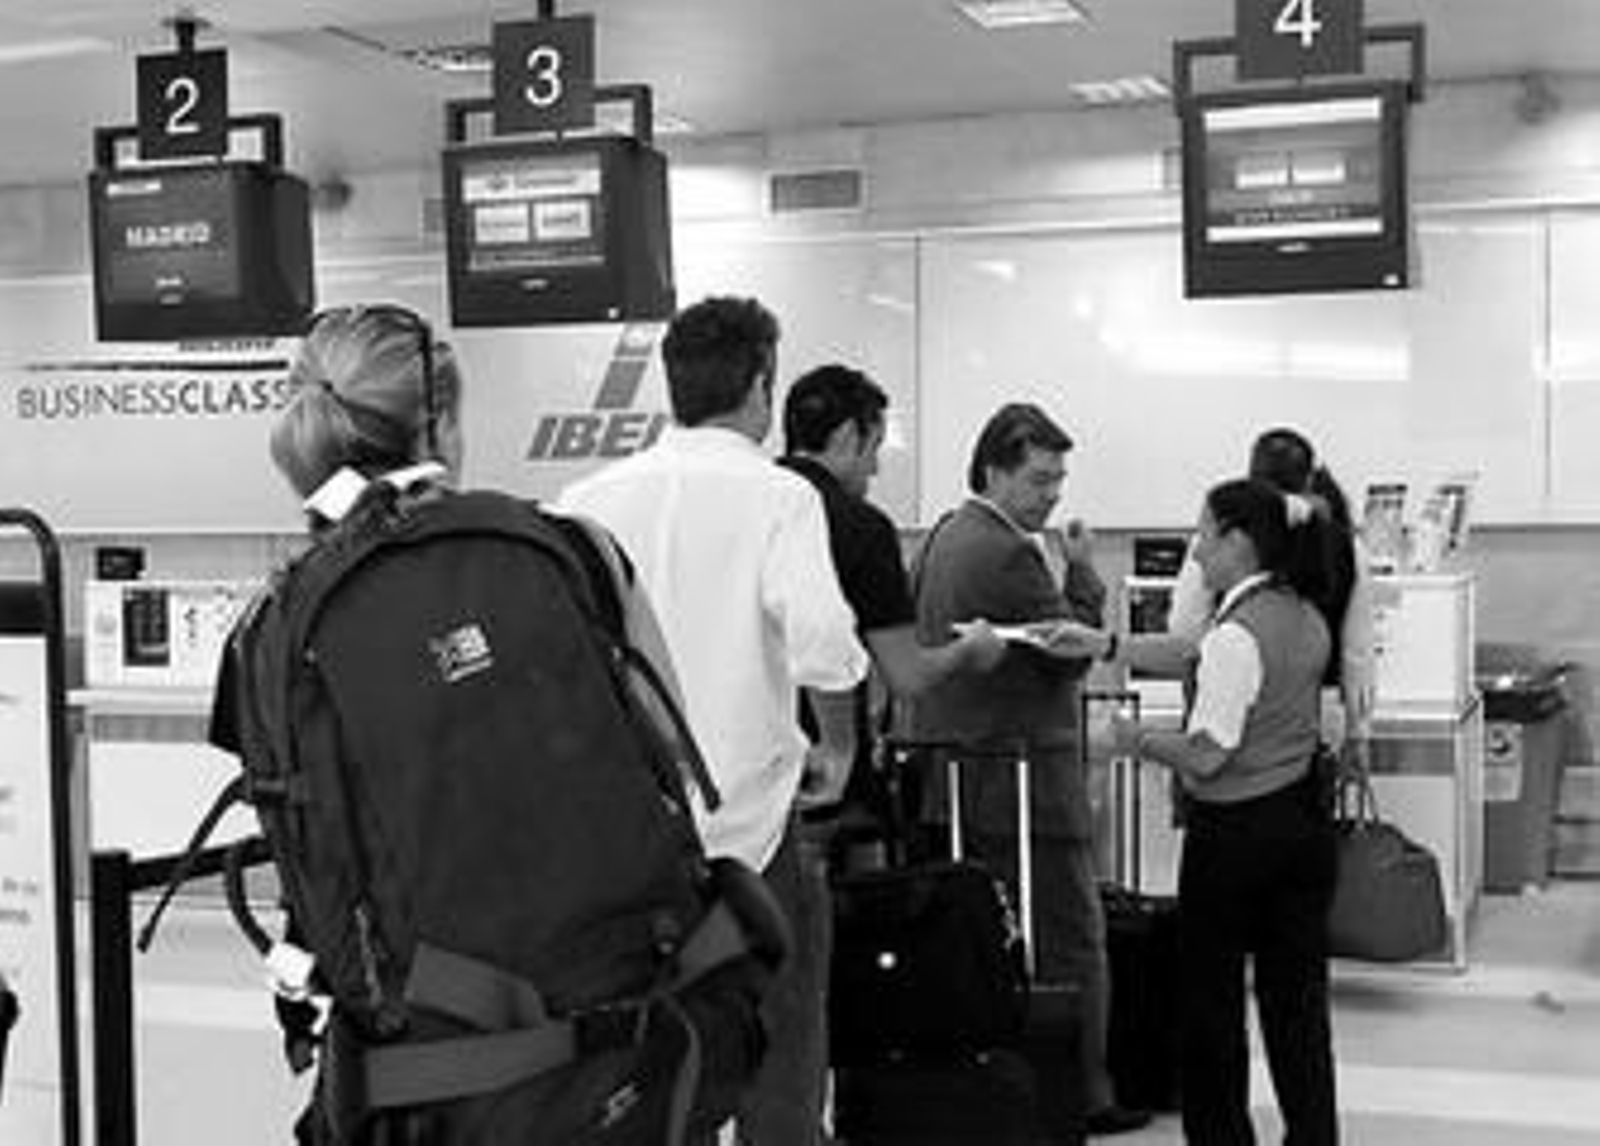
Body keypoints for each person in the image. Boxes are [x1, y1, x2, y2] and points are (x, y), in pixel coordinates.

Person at [557, 297, 870, 1146]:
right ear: (762, 387)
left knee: (655, 1062)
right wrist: (838, 745)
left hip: (632, 847)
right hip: (755, 832)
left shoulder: (582, 501)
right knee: (781, 1054)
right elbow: (821, 642)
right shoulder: (779, 498)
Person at [904, 401, 1150, 1137]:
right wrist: (1082, 572)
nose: (1052, 496)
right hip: (1025, 784)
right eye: (1039, 480)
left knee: (988, 944)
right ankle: (1083, 1093)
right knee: (1072, 938)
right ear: (994, 470)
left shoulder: (946, 536)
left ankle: (1013, 1090)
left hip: (959, 782)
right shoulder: (1007, 554)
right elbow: (1066, 656)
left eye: (1058, 480)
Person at [1102, 477, 1342, 1146]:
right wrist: (1106, 645)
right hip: (1300, 825)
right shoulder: (1304, 614)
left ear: (1238, 541)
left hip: (1234, 838)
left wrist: (1133, 740)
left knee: (1210, 1005)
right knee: (1296, 1005)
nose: (1196, 549)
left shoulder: (1236, 635)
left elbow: (1208, 753)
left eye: (1203, 533)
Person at [777, 363, 1005, 849]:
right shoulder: (859, 527)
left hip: (729, 769)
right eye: (874, 449)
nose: (875, 468)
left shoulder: (747, 508)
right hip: (826, 783)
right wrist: (971, 650)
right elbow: (908, 675)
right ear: (846, 436)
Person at [1166, 427, 1374, 751]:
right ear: (1308, 480)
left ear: (1251, 478)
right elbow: (1357, 652)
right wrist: (1358, 732)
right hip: (1317, 708)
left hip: (1233, 703)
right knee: (1307, 799)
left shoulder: (1221, 537)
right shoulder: (1347, 546)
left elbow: (1185, 628)